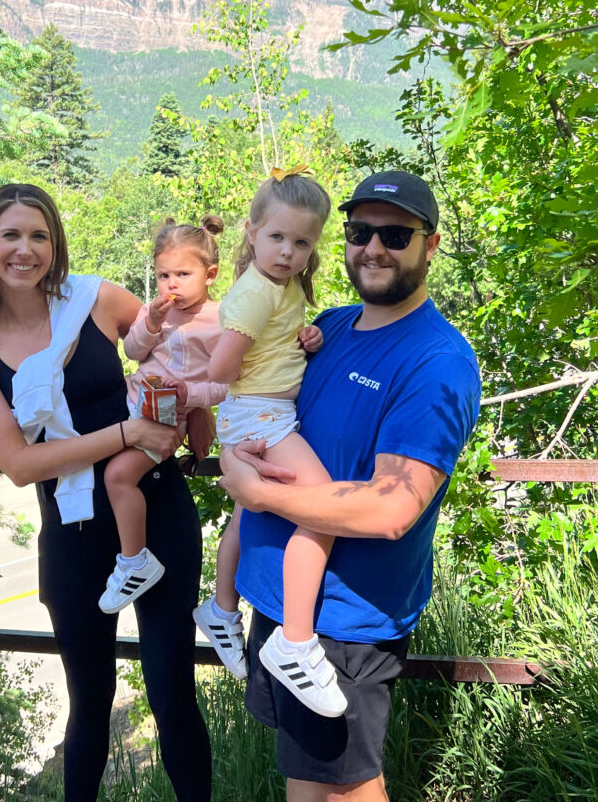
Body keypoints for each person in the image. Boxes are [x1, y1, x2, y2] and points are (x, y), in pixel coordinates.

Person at [0, 184, 211, 802]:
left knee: (172, 695)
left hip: (157, 509)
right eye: (11, 235)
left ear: (55, 244)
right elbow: (18, 464)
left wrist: (197, 407)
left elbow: (181, 343)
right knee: (89, 702)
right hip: (73, 531)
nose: (25, 250)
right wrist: (126, 432)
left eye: (39, 235)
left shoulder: (93, 300)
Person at [218, 170, 481, 802]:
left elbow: (394, 508)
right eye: (361, 232)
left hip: (342, 625)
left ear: (431, 245)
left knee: (344, 791)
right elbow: (256, 399)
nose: (374, 248)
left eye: (396, 235)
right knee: (305, 781)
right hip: (281, 607)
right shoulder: (328, 329)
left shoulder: (437, 362)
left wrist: (259, 495)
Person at [195, 168, 347, 718]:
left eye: (301, 242)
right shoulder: (256, 294)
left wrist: (303, 340)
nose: (288, 251)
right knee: (325, 510)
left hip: (262, 412)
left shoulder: (282, 287)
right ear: (252, 231)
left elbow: (274, 343)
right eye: (277, 237)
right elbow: (222, 369)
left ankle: (220, 608)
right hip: (262, 415)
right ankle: (294, 641)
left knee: (244, 515)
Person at [98, 216, 228, 613]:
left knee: (117, 476)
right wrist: (151, 322)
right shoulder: (154, 312)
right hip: (132, 401)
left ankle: (135, 561)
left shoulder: (222, 320)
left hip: (165, 420)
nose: (172, 284)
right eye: (163, 275)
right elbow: (133, 351)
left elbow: (230, 383)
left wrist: (194, 396)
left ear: (210, 275)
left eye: (183, 274)